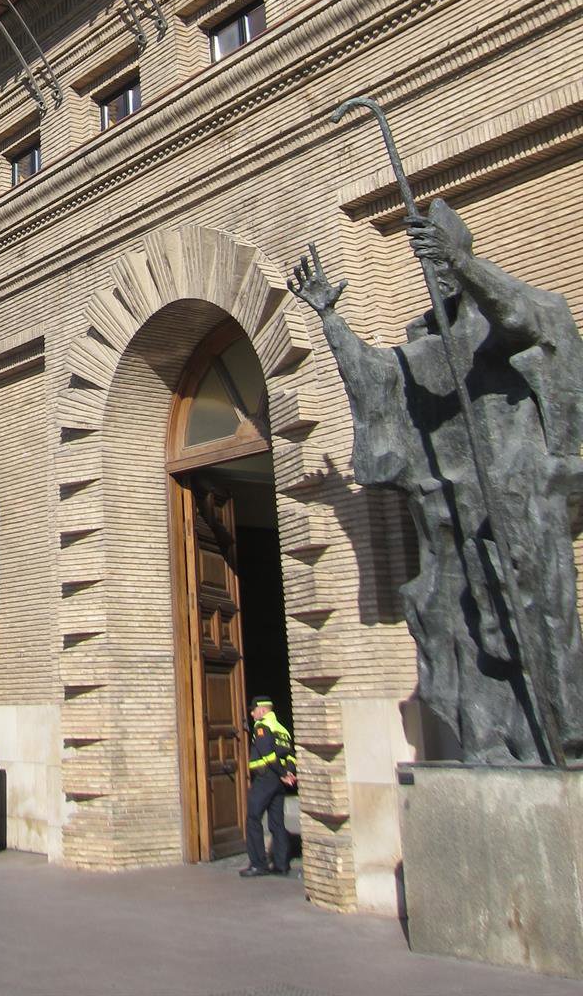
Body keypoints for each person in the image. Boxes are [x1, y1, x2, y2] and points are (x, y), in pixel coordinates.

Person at [289, 205, 583, 763]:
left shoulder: (508, 328)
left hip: (521, 507)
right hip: (455, 518)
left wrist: (462, 261)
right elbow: (377, 379)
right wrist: (330, 319)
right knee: (461, 630)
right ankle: (488, 742)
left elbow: (532, 320)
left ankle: (557, 740)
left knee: (538, 622)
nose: (436, 277)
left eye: (443, 264)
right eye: (431, 267)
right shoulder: (428, 349)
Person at [240, 695, 296, 878]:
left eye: (254, 710)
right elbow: (290, 755)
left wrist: (281, 773)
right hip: (279, 782)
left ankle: (258, 864)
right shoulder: (282, 729)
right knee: (277, 822)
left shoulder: (262, 726)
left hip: (266, 778)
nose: (252, 714)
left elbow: (267, 754)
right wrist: (288, 773)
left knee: (253, 818)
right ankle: (281, 865)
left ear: (262, 710)